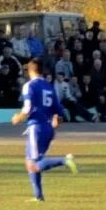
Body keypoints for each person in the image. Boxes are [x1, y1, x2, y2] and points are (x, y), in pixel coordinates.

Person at [11, 58, 79, 202]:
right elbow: (60, 110)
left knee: (35, 163)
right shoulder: (49, 86)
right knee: (30, 161)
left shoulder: (29, 86)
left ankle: (65, 160)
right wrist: (56, 122)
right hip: (47, 128)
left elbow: (28, 108)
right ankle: (38, 196)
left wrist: (18, 117)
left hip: (36, 128)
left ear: (30, 71)